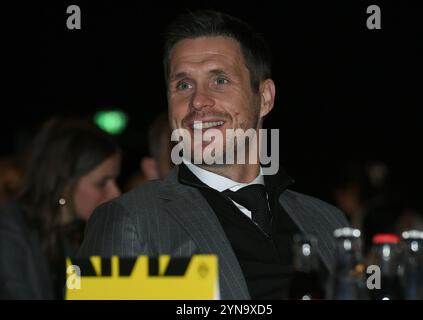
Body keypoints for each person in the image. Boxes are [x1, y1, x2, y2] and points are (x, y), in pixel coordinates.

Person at [79, 10, 348, 299]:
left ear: (265, 97)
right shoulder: (128, 221)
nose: (198, 100)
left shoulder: (328, 220)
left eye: (219, 80)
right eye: (183, 85)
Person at [0, 117, 121, 299]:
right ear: (64, 183)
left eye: (115, 181)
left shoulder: (79, 238)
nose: (115, 193)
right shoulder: (8, 230)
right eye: (102, 183)